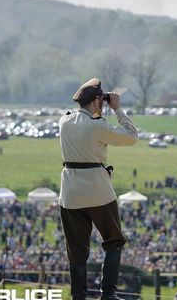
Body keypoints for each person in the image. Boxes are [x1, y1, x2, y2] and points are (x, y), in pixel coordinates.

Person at [58, 78, 138, 300]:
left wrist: (98, 105)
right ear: (96, 101)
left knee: (76, 250)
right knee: (114, 241)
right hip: (98, 190)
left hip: (70, 193)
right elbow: (132, 137)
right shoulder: (98, 127)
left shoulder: (63, 122)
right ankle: (108, 294)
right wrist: (117, 109)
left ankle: (78, 296)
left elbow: (76, 116)